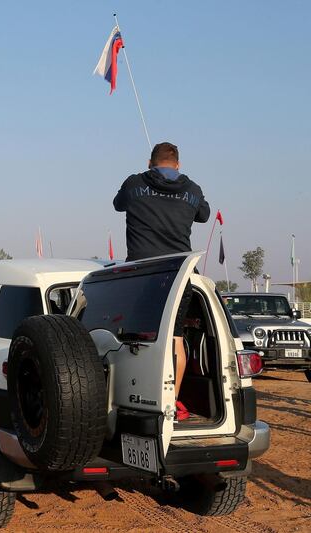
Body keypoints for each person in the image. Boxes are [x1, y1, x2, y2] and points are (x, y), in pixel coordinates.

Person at [113, 142, 210, 421]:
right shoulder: (192, 189)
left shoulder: (133, 184)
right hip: (178, 276)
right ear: (177, 164)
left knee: (137, 341)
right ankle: (172, 401)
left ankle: (136, 400)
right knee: (175, 338)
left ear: (149, 162)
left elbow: (118, 204)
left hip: (141, 276)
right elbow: (203, 214)